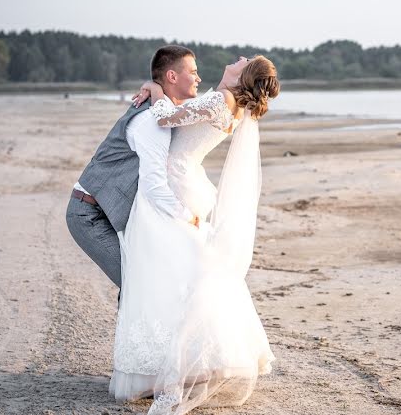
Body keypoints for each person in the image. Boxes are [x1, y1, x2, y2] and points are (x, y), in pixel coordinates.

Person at [110, 55, 280, 415]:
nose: (238, 58)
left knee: (171, 276)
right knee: (189, 273)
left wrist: (155, 88)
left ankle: (178, 364)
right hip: (188, 182)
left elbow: (165, 116)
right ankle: (194, 358)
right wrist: (158, 89)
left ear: (243, 74)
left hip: (174, 187)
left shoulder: (222, 101)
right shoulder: (225, 103)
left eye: (244, 60)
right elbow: (182, 108)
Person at [66, 45, 202, 291]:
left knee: (149, 282)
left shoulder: (163, 111)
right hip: (90, 213)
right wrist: (189, 218)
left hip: (114, 210)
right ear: (172, 76)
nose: (198, 77)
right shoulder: (152, 121)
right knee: (138, 287)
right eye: (193, 71)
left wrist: (154, 87)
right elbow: (153, 185)